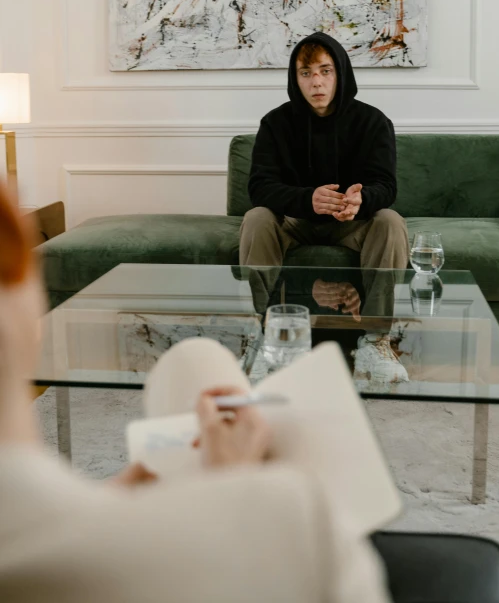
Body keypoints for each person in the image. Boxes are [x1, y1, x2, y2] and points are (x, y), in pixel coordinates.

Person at [0, 181, 390, 603]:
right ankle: (274, 357)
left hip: (80, 513)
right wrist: (234, 489)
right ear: (18, 276)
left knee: (194, 360)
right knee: (204, 366)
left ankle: (347, 340)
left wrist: (110, 499)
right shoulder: (294, 518)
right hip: (264, 540)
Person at [240, 32, 410, 270]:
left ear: (340, 73)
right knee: (257, 218)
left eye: (326, 71)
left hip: (353, 223)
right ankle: (258, 308)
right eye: (306, 73)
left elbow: (386, 187)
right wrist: (308, 200)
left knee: (390, 221)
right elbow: (260, 189)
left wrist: (361, 199)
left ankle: (376, 309)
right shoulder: (275, 122)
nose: (316, 82)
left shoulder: (373, 121)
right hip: (294, 222)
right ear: (295, 79)